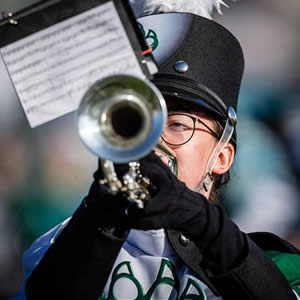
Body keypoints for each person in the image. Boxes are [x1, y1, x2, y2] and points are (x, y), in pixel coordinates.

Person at [10, 9, 300, 300]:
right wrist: (101, 215)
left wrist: (200, 220)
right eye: (137, 123)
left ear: (223, 157)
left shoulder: (276, 265)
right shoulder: (60, 246)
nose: (153, 143)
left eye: (177, 125)